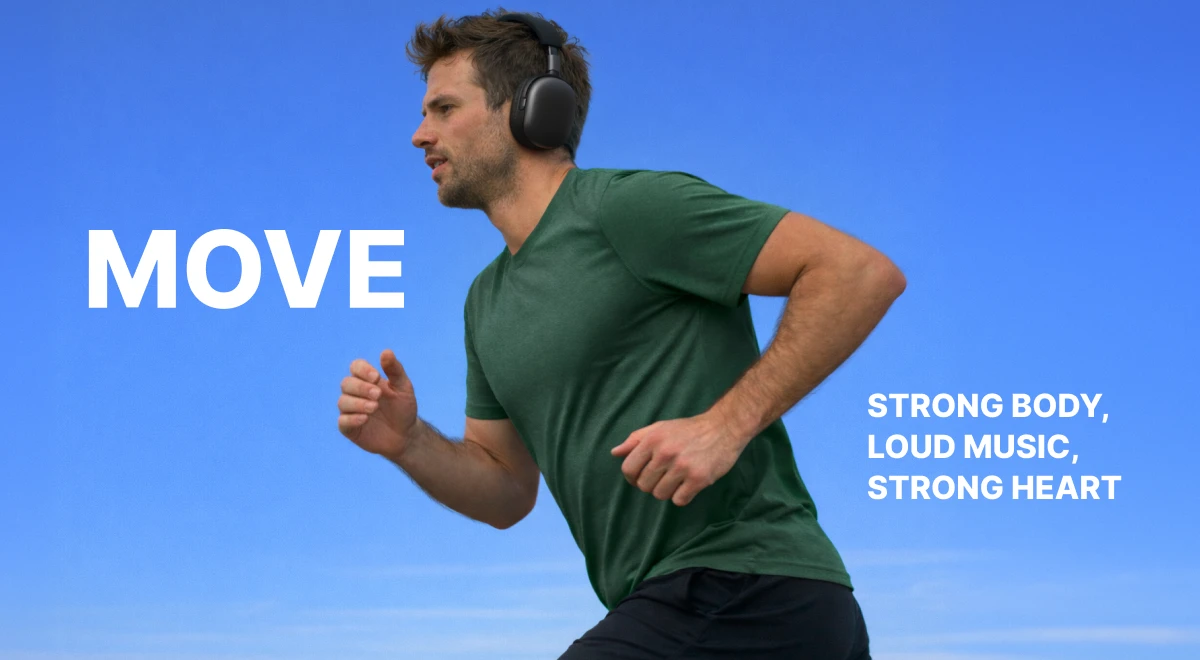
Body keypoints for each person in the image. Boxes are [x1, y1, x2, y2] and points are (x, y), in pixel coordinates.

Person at [337, 9, 904, 659]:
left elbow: (858, 273)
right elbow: (504, 491)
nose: (419, 135)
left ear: (530, 110)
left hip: (750, 584)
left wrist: (726, 424)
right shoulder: (485, 303)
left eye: (443, 108)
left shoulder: (626, 211)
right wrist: (409, 443)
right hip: (680, 604)